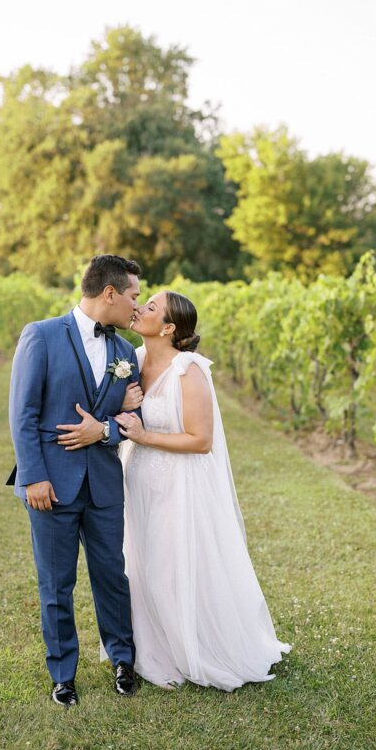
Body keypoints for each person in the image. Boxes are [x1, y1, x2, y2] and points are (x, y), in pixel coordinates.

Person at [112, 290, 290, 690]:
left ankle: (193, 647)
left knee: (175, 560)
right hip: (137, 477)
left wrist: (144, 435)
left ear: (169, 328)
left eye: (152, 307)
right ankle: (148, 643)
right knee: (142, 559)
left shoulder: (188, 371)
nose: (141, 309)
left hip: (178, 482)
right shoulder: (133, 362)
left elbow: (201, 440)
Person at [7, 254, 145, 706]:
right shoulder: (41, 335)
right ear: (109, 293)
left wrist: (103, 430)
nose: (136, 307)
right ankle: (62, 673)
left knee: (112, 575)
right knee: (56, 583)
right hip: (51, 485)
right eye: (132, 296)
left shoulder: (126, 352)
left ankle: (122, 659)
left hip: (105, 483)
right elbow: (23, 414)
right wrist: (33, 478)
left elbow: (132, 417)